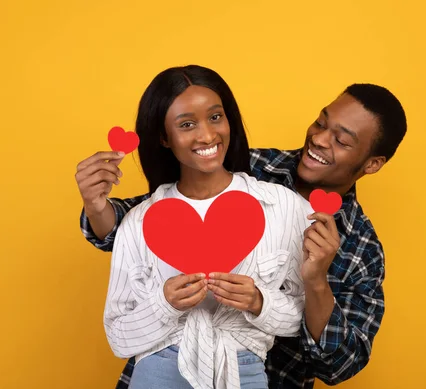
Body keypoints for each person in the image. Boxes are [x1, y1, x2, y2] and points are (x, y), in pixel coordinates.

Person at [76, 81, 407, 388]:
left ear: (372, 164)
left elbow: (340, 364)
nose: (320, 139)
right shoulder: (245, 164)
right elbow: (147, 221)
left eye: (342, 140)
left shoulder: (361, 248)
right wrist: (96, 205)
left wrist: (315, 282)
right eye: (321, 123)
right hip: (163, 367)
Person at [87, 64, 314, 389]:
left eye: (215, 117)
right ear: (164, 137)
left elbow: (302, 315)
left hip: (243, 370)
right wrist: (163, 303)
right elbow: (118, 336)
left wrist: (258, 301)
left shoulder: (281, 206)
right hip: (158, 370)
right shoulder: (139, 220)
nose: (207, 135)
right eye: (187, 124)